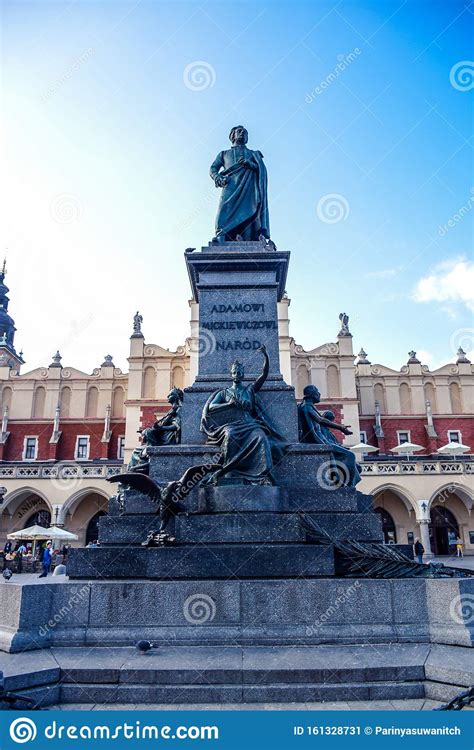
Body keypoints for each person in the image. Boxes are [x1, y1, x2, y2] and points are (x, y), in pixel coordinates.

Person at [201, 345, 288, 484]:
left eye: (239, 371)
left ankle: (261, 475)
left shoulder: (249, 390)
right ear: (231, 373)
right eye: (234, 371)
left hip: (249, 424)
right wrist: (228, 405)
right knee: (230, 435)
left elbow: (264, 375)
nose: (237, 373)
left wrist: (266, 356)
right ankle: (230, 471)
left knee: (261, 436)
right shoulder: (224, 393)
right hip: (231, 425)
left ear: (243, 374)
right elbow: (212, 407)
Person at [210, 126, 270, 243]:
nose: (242, 133)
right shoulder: (224, 154)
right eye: (239, 131)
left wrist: (250, 165)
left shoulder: (253, 154)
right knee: (224, 209)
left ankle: (248, 238)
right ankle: (220, 236)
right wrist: (218, 177)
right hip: (230, 186)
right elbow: (213, 169)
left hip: (249, 189)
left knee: (249, 212)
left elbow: (262, 170)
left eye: (245, 132)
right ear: (232, 136)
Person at [297, 386, 361, 487]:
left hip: (319, 440)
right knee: (350, 456)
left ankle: (346, 483)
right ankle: (347, 485)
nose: (319, 395)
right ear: (312, 394)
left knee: (348, 457)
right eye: (317, 392)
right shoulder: (306, 406)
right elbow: (320, 420)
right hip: (316, 441)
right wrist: (340, 427)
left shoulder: (307, 406)